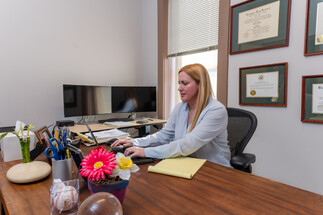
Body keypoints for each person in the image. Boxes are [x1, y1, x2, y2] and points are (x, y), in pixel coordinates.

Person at [111, 63, 231, 167]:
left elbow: (187, 145)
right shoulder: (180, 108)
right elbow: (164, 136)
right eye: (179, 83)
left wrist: (146, 152)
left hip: (213, 168)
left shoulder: (216, 110)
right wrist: (135, 142)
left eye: (184, 83)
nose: (179, 88)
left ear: (200, 85)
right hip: (185, 163)